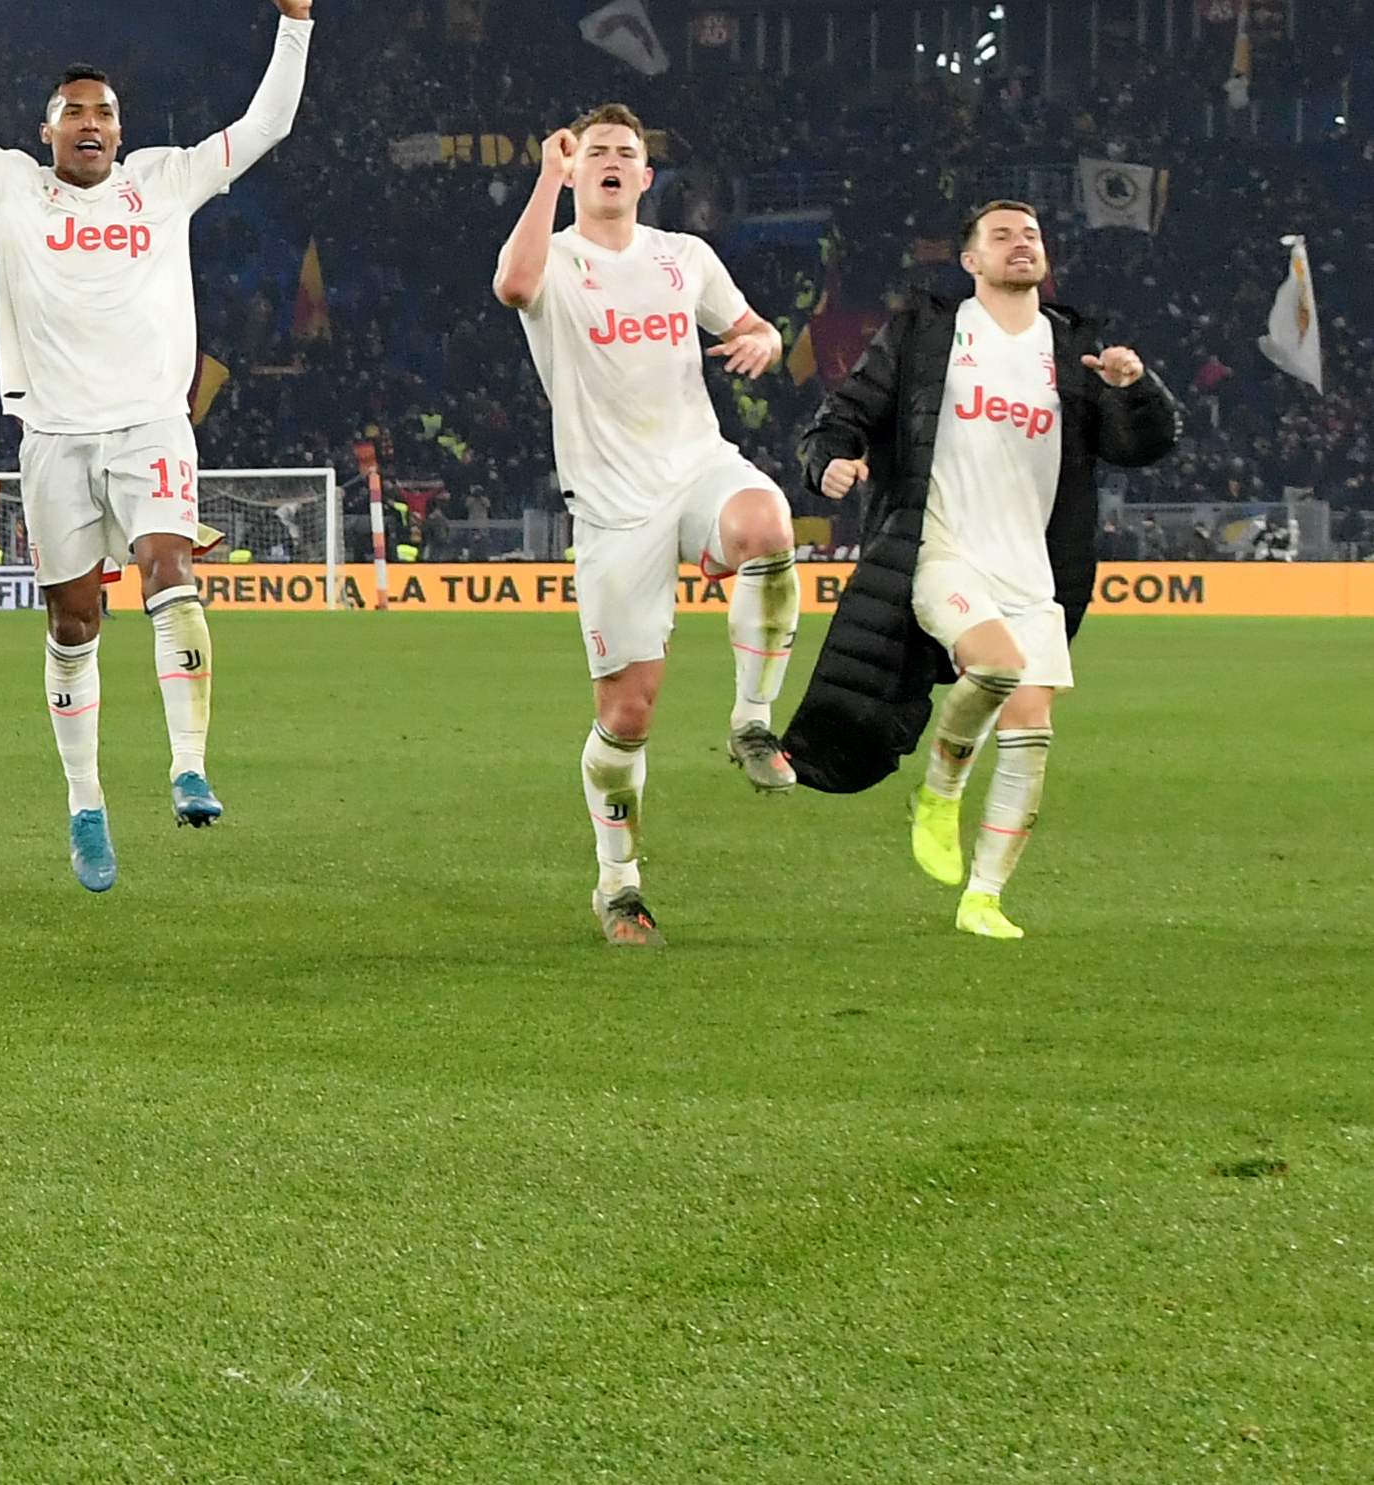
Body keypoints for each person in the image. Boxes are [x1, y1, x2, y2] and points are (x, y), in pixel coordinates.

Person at [0, 0, 312, 893]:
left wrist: (295, 24)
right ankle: (86, 804)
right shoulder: (7, 188)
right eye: (76, 112)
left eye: (107, 112)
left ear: (123, 131)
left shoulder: (163, 182)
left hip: (152, 426)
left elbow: (268, 123)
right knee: (74, 618)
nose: (93, 123)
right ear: (46, 132)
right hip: (53, 437)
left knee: (170, 567)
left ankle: (188, 763)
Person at [790, 201, 1178, 940]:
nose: (1020, 244)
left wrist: (1137, 388)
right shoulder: (927, 332)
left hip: (1032, 566)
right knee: (995, 668)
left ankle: (985, 896)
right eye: (1001, 236)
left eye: (1031, 234)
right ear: (970, 260)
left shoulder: (1072, 346)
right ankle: (941, 788)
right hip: (942, 544)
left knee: (1033, 728)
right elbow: (847, 411)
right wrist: (827, 460)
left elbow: (1140, 445)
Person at [488, 107, 798, 945]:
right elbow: (513, 288)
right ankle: (619, 884)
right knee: (628, 714)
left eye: (629, 152)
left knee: (767, 522)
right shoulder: (555, 254)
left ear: (648, 175)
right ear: (578, 168)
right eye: (598, 153)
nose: (615, 161)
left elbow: (749, 326)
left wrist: (764, 338)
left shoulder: (684, 256)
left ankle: (751, 718)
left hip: (697, 464)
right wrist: (546, 177)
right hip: (614, 504)